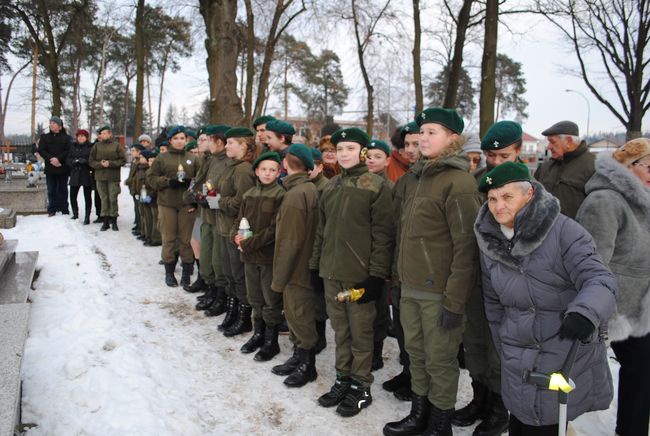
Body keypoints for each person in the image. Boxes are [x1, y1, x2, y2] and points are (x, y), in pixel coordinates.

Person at [474, 162, 617, 436]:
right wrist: (503, 342)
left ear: (529, 195)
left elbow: (601, 279)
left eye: (507, 197)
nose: (497, 206)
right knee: (521, 420)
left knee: (546, 423)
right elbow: (493, 302)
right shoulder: (490, 241)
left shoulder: (565, 232)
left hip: (560, 348)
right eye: (492, 199)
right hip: (517, 355)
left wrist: (585, 312)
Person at [384, 108, 482, 435]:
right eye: (421, 132)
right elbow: (402, 234)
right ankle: (419, 414)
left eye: (432, 132)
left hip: (439, 292)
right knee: (416, 355)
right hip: (409, 287)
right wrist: (397, 281)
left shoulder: (459, 181)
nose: (423, 138)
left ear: (452, 138)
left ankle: (439, 425)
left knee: (440, 361)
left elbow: (466, 247)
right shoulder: (414, 178)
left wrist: (454, 302)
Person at [311, 127, 394, 417]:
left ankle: (361, 386)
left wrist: (375, 276)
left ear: (361, 151)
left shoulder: (376, 186)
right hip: (331, 272)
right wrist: (315, 266)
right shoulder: (331, 187)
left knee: (361, 334)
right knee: (341, 331)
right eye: (339, 149)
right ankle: (343, 379)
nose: (343, 154)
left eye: (350, 149)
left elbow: (384, 236)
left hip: (360, 276)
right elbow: (321, 231)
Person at [453, 121, 523, 435]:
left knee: (501, 349)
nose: (494, 162)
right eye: (489, 156)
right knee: (477, 342)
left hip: (510, 280)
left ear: (519, 150)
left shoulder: (530, 185)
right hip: (478, 274)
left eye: (503, 156)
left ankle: (499, 408)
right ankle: (479, 398)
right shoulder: (478, 180)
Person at [576, 139, 650, 436]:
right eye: (649, 166)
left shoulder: (642, 198)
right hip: (617, 310)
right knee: (636, 373)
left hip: (642, 308)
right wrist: (606, 312)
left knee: (642, 375)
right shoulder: (605, 201)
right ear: (627, 168)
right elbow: (593, 262)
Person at [270, 144, 320, 388]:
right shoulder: (308, 189)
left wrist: (279, 279)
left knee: (299, 316)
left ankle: (307, 365)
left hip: (296, 269)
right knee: (299, 315)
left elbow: (289, 242)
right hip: (304, 265)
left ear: (285, 165)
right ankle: (299, 357)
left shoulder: (295, 195)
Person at [233, 151, 285, 360]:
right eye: (263, 169)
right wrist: (234, 236)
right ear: (256, 171)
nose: (267, 173)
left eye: (272, 170)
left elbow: (275, 230)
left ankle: (271, 341)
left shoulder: (280, 195)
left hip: (267, 256)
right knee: (255, 297)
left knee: (269, 299)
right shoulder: (249, 194)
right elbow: (239, 220)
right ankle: (258, 334)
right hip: (249, 256)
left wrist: (250, 243)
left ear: (279, 173)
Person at [214, 127, 256, 336]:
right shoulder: (232, 166)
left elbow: (243, 202)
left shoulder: (243, 170)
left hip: (235, 228)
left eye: (231, 142)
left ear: (244, 145)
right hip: (223, 227)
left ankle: (244, 317)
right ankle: (232, 312)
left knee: (239, 277)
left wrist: (220, 202)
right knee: (230, 275)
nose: (226, 145)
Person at [146, 125, 199, 287]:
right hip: (167, 204)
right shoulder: (162, 158)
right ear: (170, 140)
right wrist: (168, 182)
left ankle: (186, 273)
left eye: (182, 138)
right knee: (168, 238)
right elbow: (151, 178)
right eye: (175, 138)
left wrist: (193, 187)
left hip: (186, 204)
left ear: (186, 140)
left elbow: (201, 179)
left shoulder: (193, 158)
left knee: (186, 240)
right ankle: (169, 272)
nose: (179, 141)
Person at [364, 139, 394, 372]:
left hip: (380, 255)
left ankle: (376, 350)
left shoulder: (390, 188)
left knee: (379, 308)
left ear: (387, 160)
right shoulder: (360, 183)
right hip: (359, 254)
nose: (371, 160)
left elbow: (389, 228)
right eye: (369, 156)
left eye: (377, 156)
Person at [535, 121, 594, 219]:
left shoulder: (593, 166)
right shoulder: (545, 167)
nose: (548, 147)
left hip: (574, 232)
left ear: (569, 141)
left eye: (552, 142)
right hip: (542, 230)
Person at [89, 125, 125, 231]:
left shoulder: (116, 146)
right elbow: (91, 161)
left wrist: (110, 163)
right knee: (103, 199)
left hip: (113, 177)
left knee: (112, 198)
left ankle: (113, 220)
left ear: (110, 134)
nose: (103, 135)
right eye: (101, 133)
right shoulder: (96, 146)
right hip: (100, 176)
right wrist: (100, 164)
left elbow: (123, 160)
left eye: (105, 133)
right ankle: (105, 221)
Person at [38, 115, 72, 216]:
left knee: (63, 189)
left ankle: (64, 208)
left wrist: (58, 159)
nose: (51, 125)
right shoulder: (44, 137)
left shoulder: (67, 138)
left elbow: (68, 150)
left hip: (62, 167)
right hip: (50, 167)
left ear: (59, 126)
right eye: (50, 123)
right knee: (51, 189)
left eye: (54, 123)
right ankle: (52, 209)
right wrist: (51, 159)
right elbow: (41, 150)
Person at [66, 129, 93, 224]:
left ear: (86, 137)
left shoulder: (90, 146)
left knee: (87, 196)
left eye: (83, 136)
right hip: (75, 173)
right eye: (79, 136)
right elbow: (67, 159)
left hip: (86, 173)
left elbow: (92, 159)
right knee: (72, 195)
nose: (81, 138)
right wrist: (73, 161)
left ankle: (87, 216)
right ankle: (75, 214)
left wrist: (85, 161)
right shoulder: (72, 146)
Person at [125, 142, 146, 236]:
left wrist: (130, 181)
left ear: (139, 152)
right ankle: (138, 224)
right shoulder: (134, 161)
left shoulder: (140, 163)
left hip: (138, 188)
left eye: (133, 151)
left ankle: (141, 226)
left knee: (139, 208)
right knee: (136, 207)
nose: (132, 152)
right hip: (133, 187)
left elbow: (136, 177)